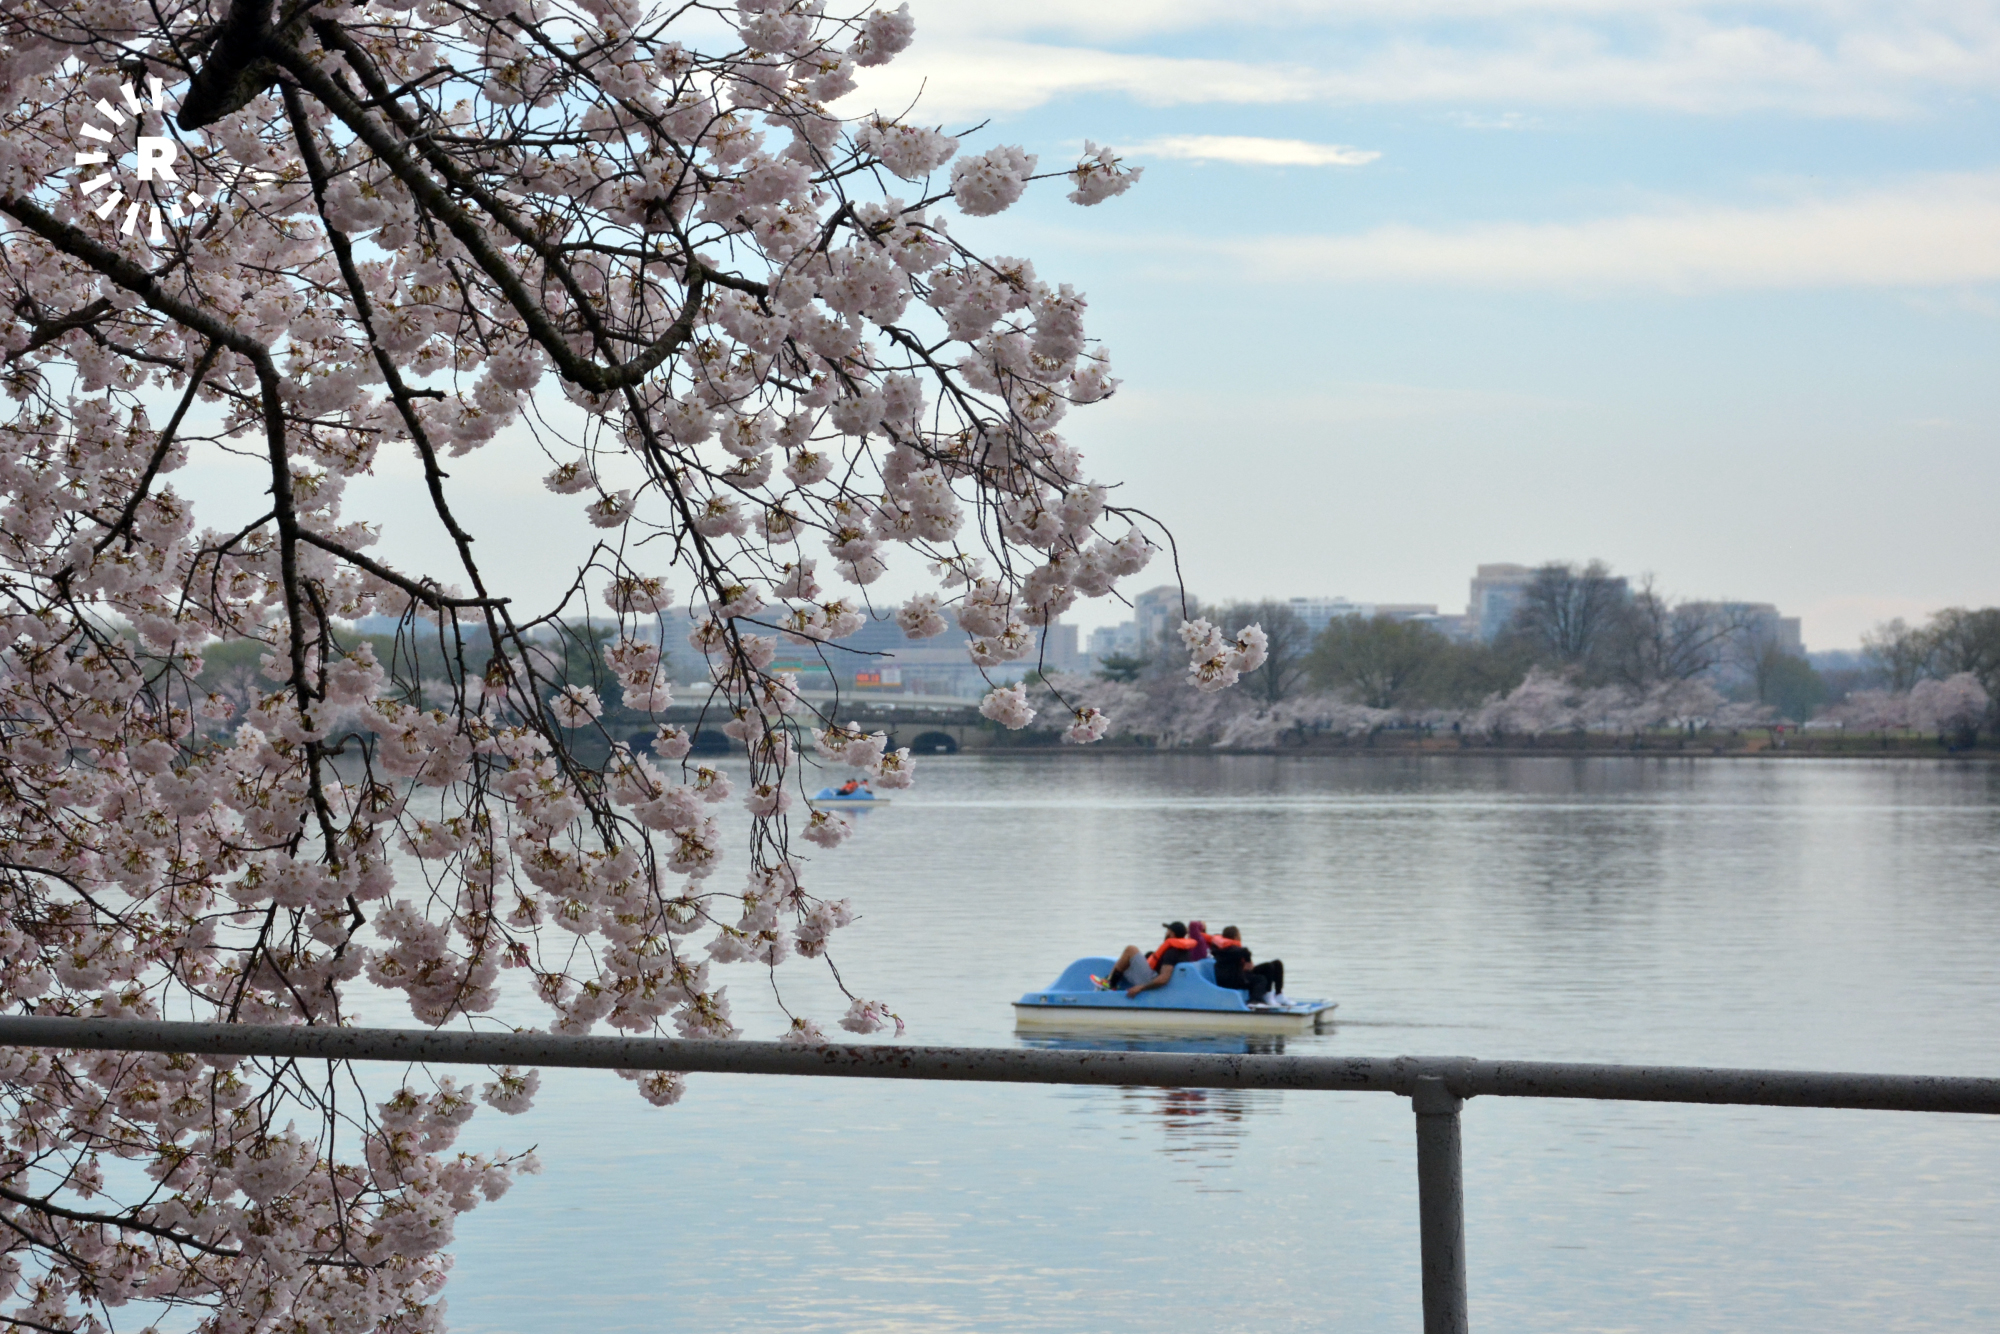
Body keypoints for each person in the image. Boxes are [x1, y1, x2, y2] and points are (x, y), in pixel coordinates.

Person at [1095, 923, 1199, 998]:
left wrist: (1141, 987)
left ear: (1171, 934)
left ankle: (1110, 984)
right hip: (1152, 977)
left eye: (1167, 931)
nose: (1166, 933)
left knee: (1130, 949)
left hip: (1151, 982)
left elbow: (1163, 979)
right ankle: (1111, 980)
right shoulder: (1183, 950)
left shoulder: (1172, 952)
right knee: (1145, 955)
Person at [1207, 926, 1286, 1005]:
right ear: (1236, 937)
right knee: (1260, 979)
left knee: (1273, 965)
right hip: (1233, 979)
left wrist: (1247, 964)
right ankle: (1254, 1001)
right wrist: (1248, 961)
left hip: (1240, 973)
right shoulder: (1228, 949)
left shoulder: (1228, 947)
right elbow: (1245, 952)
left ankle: (1278, 995)